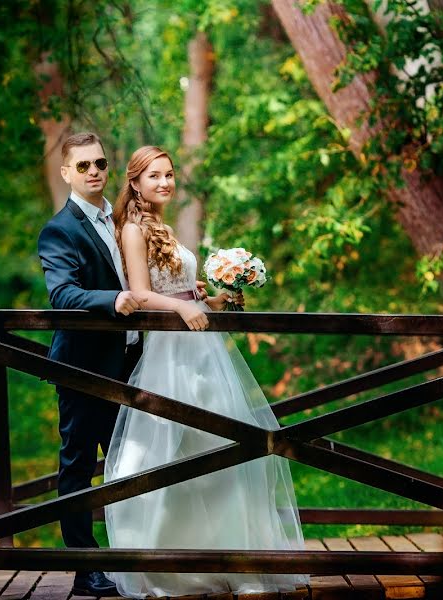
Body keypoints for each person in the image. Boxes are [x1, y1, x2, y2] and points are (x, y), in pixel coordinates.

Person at [104, 146, 309, 598]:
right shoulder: (134, 229)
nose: (164, 182)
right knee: (170, 449)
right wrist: (181, 304)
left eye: (169, 174)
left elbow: (177, 288)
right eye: (154, 176)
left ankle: (229, 554)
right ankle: (166, 563)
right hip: (169, 355)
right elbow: (139, 292)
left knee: (220, 449)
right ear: (134, 183)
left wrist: (212, 299)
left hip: (202, 351)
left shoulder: (161, 225)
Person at [37, 133, 146, 597]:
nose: (94, 171)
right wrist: (113, 299)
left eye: (100, 162)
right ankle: (86, 569)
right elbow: (62, 294)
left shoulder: (118, 219)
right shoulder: (59, 230)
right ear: (66, 173)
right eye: (82, 166)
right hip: (82, 367)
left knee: (132, 462)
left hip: (130, 363)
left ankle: (136, 558)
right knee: (79, 465)